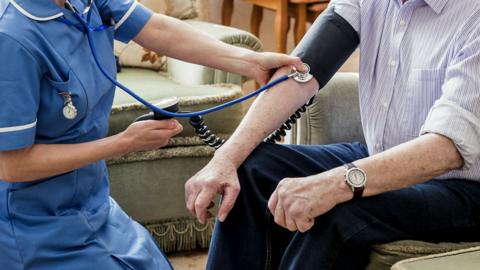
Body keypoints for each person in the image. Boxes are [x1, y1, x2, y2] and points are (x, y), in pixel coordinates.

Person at [0, 0, 304, 269]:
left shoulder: (85, 3)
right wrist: (124, 143)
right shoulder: (11, 37)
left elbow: (158, 29)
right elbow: (12, 165)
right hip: (32, 224)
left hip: (94, 204)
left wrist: (250, 62)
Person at [185, 0, 480, 269]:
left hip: (461, 188)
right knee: (253, 167)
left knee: (337, 210)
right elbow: (302, 71)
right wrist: (226, 156)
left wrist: (335, 184)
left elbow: (447, 149)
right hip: (381, 155)